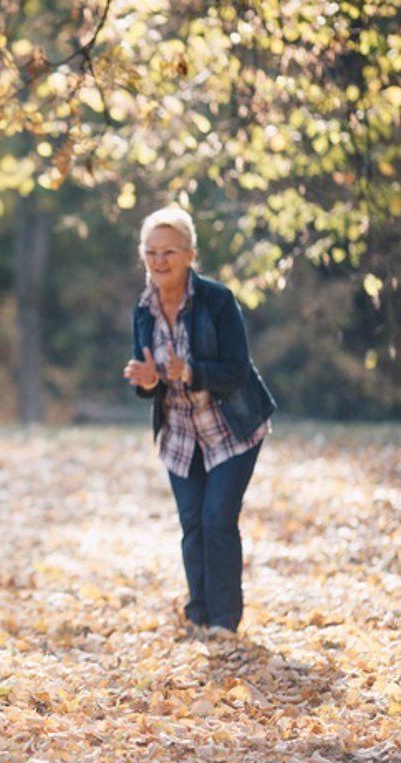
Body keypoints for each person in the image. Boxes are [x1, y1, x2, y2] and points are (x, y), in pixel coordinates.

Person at [123, 206, 276, 636]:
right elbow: (149, 377)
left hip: (232, 429)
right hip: (181, 435)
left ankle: (224, 621)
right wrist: (149, 381)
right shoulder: (143, 307)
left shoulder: (217, 300)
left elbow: (237, 370)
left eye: (169, 251)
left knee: (217, 519)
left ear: (190, 255)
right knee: (192, 523)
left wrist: (189, 371)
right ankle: (198, 614)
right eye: (151, 252)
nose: (159, 261)